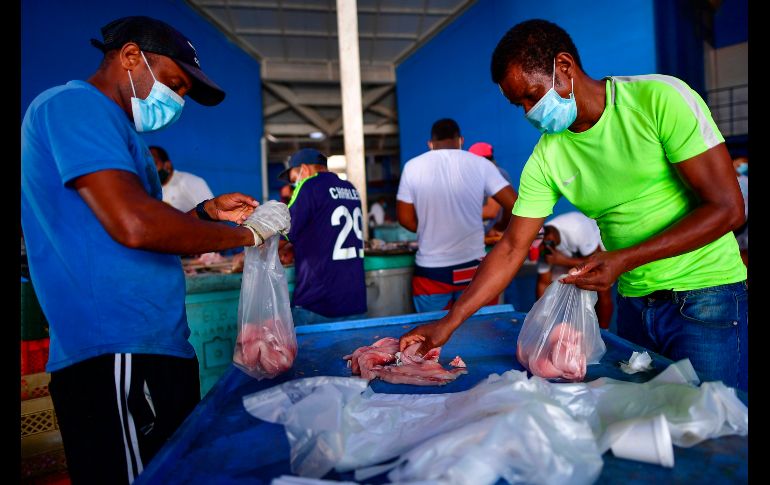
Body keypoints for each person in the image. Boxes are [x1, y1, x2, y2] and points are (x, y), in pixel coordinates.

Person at [399, 19, 747, 392]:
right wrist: (447, 324)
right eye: (520, 104)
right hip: (633, 304)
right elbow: (513, 247)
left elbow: (728, 208)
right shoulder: (547, 156)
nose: (530, 112)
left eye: (531, 96)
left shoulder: (658, 100)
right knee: (651, 424)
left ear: (563, 68)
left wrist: (623, 259)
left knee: (713, 427)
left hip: (706, 300)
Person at [20, 16, 290, 484]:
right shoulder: (73, 107)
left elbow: (142, 231)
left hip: (152, 339)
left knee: (174, 470)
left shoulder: (123, 135)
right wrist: (249, 235)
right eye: (175, 84)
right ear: (130, 57)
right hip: (116, 344)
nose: (178, 100)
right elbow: (136, 225)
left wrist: (205, 213)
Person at [396, 118, 518, 312]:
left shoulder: (412, 167)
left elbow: (404, 218)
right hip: (474, 270)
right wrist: (501, 226)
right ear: (461, 140)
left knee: (430, 336)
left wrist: (430, 228)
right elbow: (515, 205)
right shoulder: (481, 164)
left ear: (430, 144)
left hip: (431, 273)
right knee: (482, 334)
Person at [276, 148, 367, 324]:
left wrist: (255, 249)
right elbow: (324, 229)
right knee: (354, 352)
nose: (295, 183)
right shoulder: (350, 188)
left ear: (304, 169)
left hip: (319, 301)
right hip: (354, 298)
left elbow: (284, 230)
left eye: (294, 178)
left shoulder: (309, 186)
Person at [536, 212, 613, 329]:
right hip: (567, 257)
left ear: (549, 240)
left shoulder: (577, 228)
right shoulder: (541, 242)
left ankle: (604, 333)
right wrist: (540, 320)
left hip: (598, 251)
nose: (541, 255)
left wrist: (563, 261)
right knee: (557, 285)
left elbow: (598, 264)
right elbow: (543, 283)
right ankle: (557, 328)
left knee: (602, 288)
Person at [149, 145, 215, 213]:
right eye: (147, 167)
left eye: (154, 164)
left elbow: (212, 211)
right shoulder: (150, 191)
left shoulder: (188, 181)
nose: (150, 170)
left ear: (167, 166)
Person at [468, 142, 513, 236]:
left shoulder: (498, 173)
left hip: (493, 237)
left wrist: (458, 215)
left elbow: (491, 211)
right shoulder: (476, 176)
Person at [732, 154, 748, 266]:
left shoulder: (745, 181)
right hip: (734, 224)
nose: (742, 166)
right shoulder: (727, 181)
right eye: (739, 164)